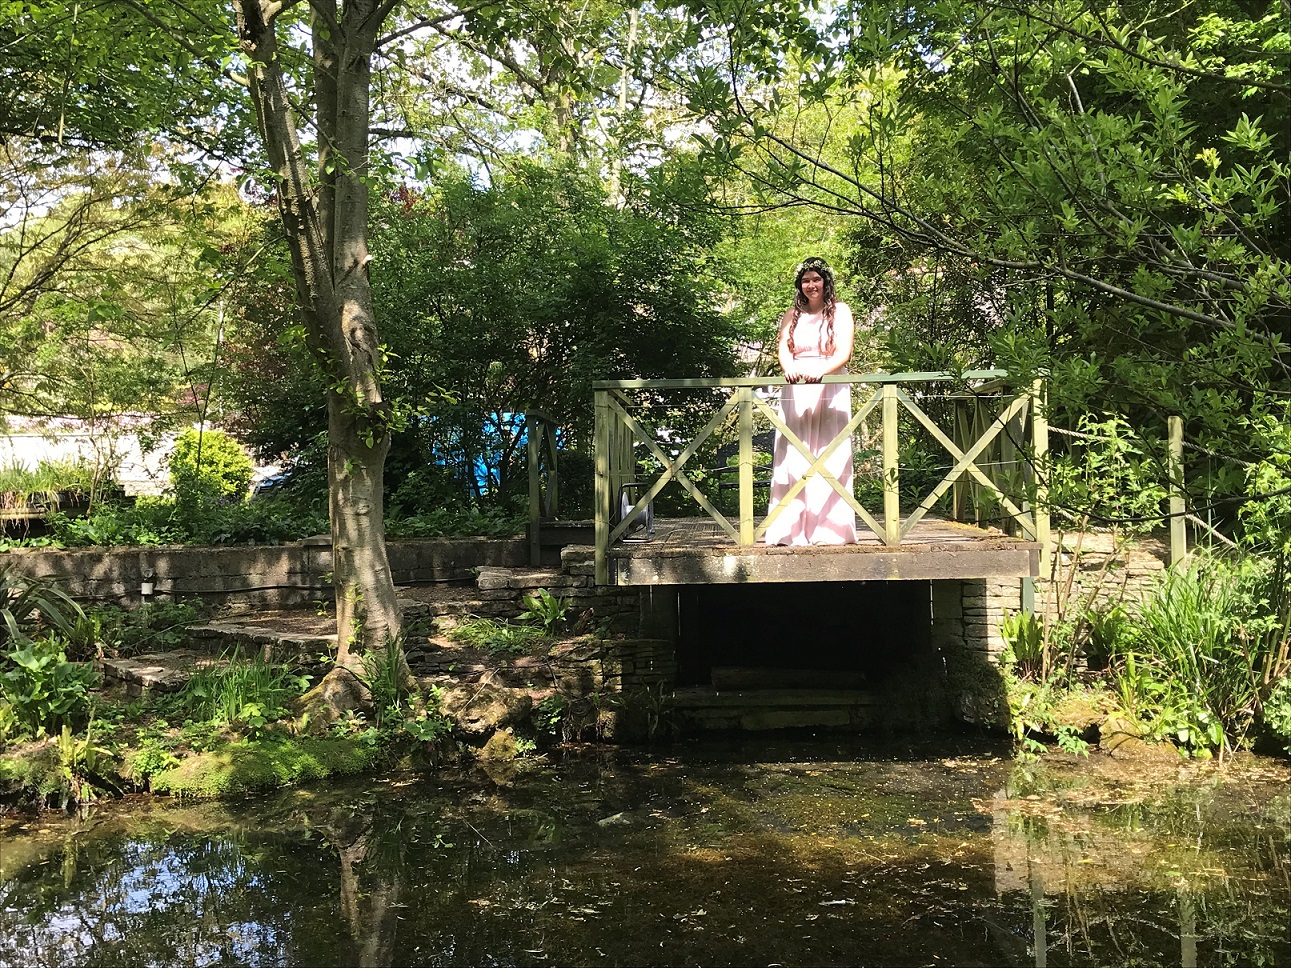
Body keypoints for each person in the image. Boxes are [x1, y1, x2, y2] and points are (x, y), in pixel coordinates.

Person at [763, 256, 859, 546]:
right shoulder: (791, 314)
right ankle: (791, 530)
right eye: (806, 280)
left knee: (831, 453)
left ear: (825, 281)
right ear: (800, 284)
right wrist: (788, 367)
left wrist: (822, 370)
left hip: (830, 385)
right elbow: (783, 347)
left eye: (816, 279)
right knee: (794, 455)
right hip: (797, 388)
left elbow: (844, 352)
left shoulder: (840, 311)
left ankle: (830, 530)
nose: (811, 285)